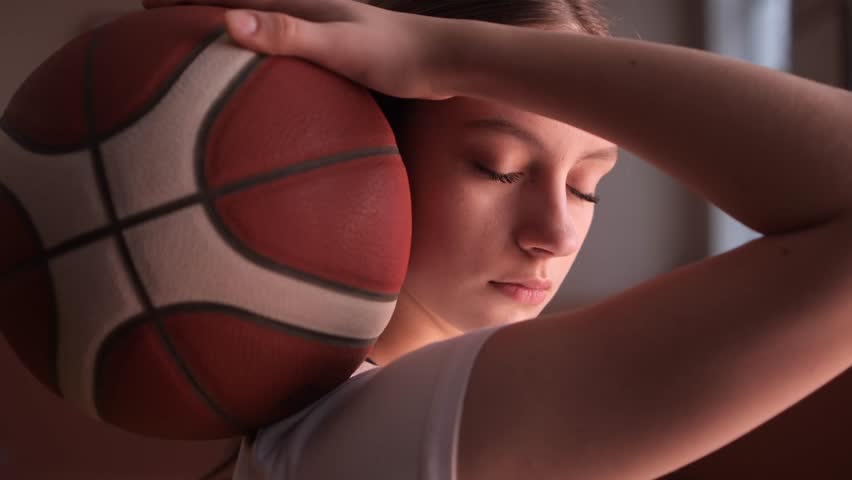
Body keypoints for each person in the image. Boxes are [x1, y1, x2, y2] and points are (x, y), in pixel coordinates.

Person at [138, 1, 852, 479]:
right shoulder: (364, 439)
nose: (557, 232)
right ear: (370, 157)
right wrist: (438, 49)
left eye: (586, 186)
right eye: (499, 169)